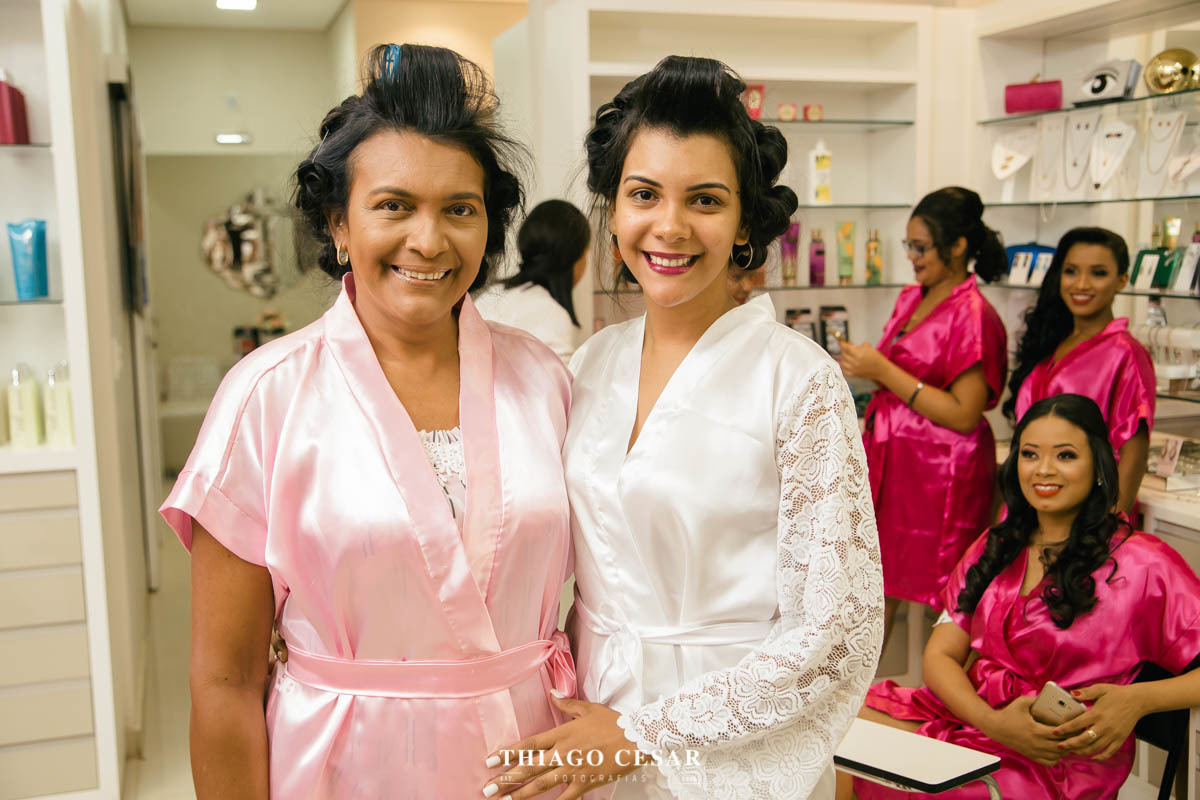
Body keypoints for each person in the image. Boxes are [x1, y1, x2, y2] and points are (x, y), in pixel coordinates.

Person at [160, 44, 575, 799]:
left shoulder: (544, 380)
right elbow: (224, 679)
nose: (429, 240)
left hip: (532, 760)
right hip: (347, 769)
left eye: (460, 209)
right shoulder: (267, 396)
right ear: (339, 224)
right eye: (394, 206)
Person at [483, 55, 883, 800]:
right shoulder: (591, 364)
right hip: (589, 722)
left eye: (704, 199)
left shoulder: (798, 380)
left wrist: (645, 733)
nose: (669, 226)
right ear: (613, 210)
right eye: (644, 194)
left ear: (744, 223)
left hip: (733, 744)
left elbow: (836, 634)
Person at [840, 394, 1200, 799]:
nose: (1044, 469)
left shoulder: (1144, 563)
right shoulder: (998, 545)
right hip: (978, 720)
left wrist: (1138, 700)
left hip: (1057, 756)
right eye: (1030, 454)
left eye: (1065, 455)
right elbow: (940, 656)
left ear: (1099, 466)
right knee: (836, 730)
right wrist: (993, 723)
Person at [839, 187, 1008, 646]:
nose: (912, 257)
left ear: (958, 246)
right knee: (876, 583)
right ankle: (861, 680)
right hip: (898, 463)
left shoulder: (973, 315)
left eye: (921, 247)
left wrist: (882, 370)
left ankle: (939, 682)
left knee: (945, 591)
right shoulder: (912, 298)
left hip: (944, 472)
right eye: (908, 246)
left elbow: (964, 413)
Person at [1005, 227, 1155, 512]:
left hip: (1086, 514)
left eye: (1098, 273)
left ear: (1122, 280)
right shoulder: (1051, 343)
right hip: (1029, 506)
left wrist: (1111, 525)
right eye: (1071, 271)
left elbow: (1133, 451)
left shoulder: (1125, 354)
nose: (1082, 284)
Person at [474, 198, 590, 361]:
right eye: (586, 253)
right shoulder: (553, 316)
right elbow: (557, 378)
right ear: (573, 258)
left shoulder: (490, 295)